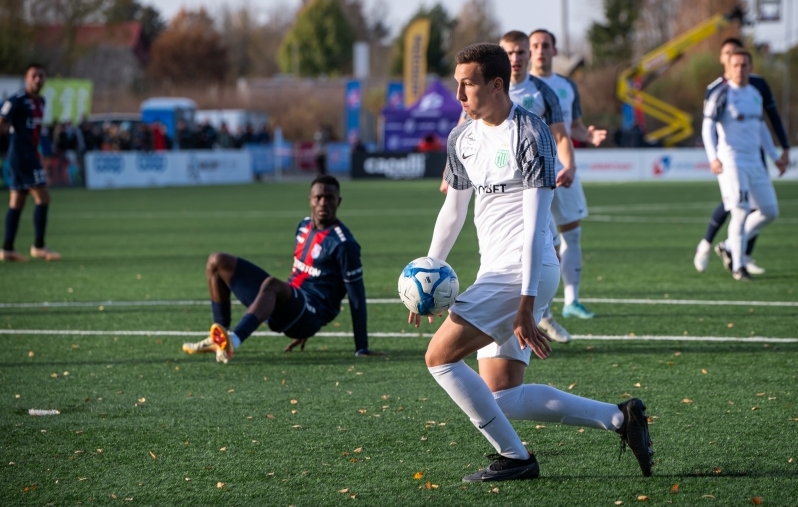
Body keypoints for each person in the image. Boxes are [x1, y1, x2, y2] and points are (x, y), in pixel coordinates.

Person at [411, 43, 652, 482]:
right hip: (496, 272)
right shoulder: (461, 137)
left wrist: (525, 304)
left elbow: (536, 223)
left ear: (496, 84)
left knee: (439, 358)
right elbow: (454, 211)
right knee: (503, 393)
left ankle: (517, 459)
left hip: (525, 270)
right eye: (457, 84)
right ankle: (621, 419)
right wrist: (428, 270)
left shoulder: (531, 133)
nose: (459, 95)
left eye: (468, 84)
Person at [182, 175, 382, 361]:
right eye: (318, 197)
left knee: (272, 284)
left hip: (309, 315)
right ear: (310, 200)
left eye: (329, 198)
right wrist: (292, 308)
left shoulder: (344, 244)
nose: (323, 203)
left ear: (338, 202)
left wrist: (361, 347)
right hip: (290, 303)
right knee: (217, 261)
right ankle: (220, 338)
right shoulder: (303, 226)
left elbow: (356, 297)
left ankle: (233, 341)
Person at [693, 38, 790, 274]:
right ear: (727, 66)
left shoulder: (755, 93)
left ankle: (729, 246)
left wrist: (774, 155)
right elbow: (707, 128)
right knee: (739, 210)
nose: (739, 69)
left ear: (751, 67)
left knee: (769, 211)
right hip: (732, 160)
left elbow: (761, 127)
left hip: (755, 161)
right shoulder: (720, 93)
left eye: (744, 65)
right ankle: (738, 265)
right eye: (735, 65)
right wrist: (713, 157)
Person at [529, 29, 606, 320]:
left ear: (554, 50)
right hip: (534, 173)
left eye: (545, 45)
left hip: (564, 169)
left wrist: (588, 133)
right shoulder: (518, 87)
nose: (539, 50)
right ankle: (541, 307)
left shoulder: (567, 86)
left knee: (572, 234)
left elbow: (572, 126)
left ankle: (572, 301)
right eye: (534, 45)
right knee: (542, 239)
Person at [0, 63, 60, 262]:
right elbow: (2, 121)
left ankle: (7, 248)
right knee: (43, 198)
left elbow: (36, 131)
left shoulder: (41, 101)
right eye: (34, 76)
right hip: (21, 156)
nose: (37, 79)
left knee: (16, 202)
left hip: (29, 155)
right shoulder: (16, 100)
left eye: (41, 76)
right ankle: (39, 246)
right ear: (26, 78)